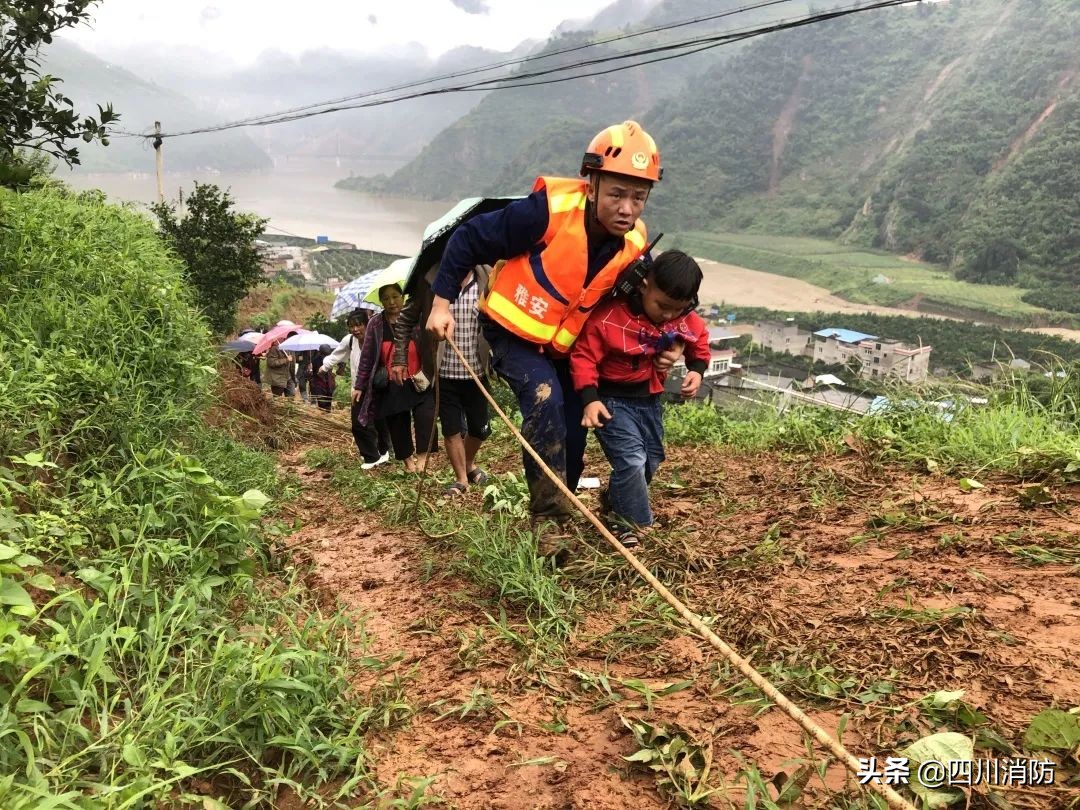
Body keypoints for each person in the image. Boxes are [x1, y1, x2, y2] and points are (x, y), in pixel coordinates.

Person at [424, 120, 682, 550]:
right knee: (546, 398)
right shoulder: (546, 211)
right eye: (617, 193)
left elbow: (649, 305)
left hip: (565, 348)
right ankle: (549, 522)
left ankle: (569, 499)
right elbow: (469, 238)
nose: (627, 208)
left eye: (639, 197)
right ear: (593, 183)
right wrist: (440, 303)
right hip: (512, 332)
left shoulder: (635, 244)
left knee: (573, 427)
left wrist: (666, 346)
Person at [570, 250, 709, 548]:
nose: (668, 315)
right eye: (662, 306)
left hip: (649, 400)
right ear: (645, 284)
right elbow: (584, 355)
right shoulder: (610, 317)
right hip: (611, 400)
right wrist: (589, 397)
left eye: (677, 309)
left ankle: (615, 500)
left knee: (652, 460)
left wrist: (697, 369)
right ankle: (633, 525)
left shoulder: (682, 316)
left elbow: (699, 336)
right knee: (631, 461)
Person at [392, 263, 492, 496]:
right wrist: (399, 357)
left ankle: (468, 464)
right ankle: (461, 479)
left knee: (480, 428)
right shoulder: (431, 281)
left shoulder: (488, 276)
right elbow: (406, 320)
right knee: (451, 428)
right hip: (444, 372)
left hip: (478, 370)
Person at [354, 283, 438, 472]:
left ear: (403, 297)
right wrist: (360, 385)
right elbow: (367, 357)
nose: (391, 302)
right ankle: (408, 462)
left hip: (419, 377)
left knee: (426, 417)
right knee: (397, 423)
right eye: (386, 298)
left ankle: (423, 460)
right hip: (391, 382)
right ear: (381, 302)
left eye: (395, 296)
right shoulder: (376, 323)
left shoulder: (415, 316)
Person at [320, 309, 392, 469]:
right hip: (358, 389)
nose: (355, 329)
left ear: (367, 325)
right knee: (358, 424)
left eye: (359, 325)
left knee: (381, 422)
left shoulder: (376, 338)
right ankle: (371, 457)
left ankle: (385, 452)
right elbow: (336, 355)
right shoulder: (350, 340)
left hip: (378, 388)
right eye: (351, 326)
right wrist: (324, 367)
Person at [309, 344, 336, 411]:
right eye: (324, 354)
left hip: (329, 383)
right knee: (322, 403)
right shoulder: (315, 360)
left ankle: (327, 414)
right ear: (320, 352)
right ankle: (323, 415)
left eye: (327, 354)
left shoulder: (331, 359)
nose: (325, 356)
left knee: (328, 402)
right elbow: (316, 373)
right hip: (319, 384)